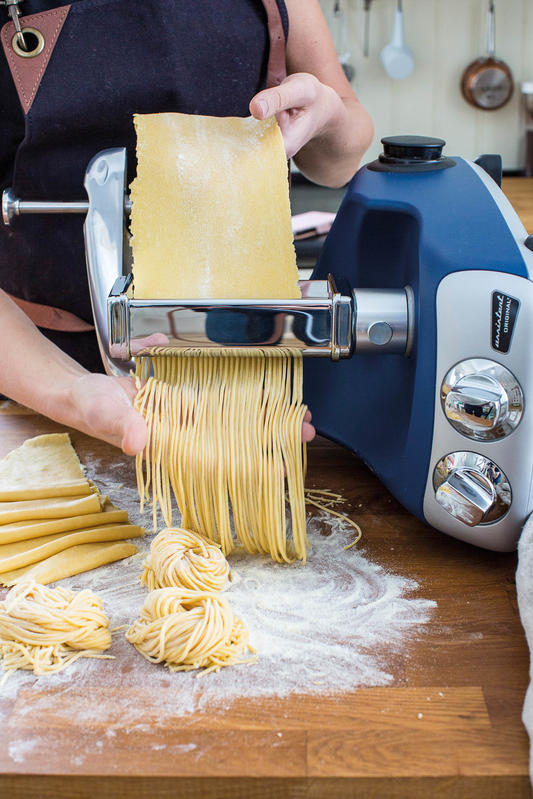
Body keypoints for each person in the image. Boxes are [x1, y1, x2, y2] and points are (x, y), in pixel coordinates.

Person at [0, 0, 373, 454]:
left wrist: (329, 115)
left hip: (238, 373)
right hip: (34, 368)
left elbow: (339, 160)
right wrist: (72, 393)